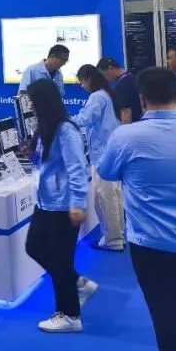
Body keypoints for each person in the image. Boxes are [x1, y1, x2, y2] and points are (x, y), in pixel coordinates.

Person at [96, 66, 176, 351]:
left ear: (142, 100)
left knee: (166, 309)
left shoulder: (126, 137)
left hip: (153, 243)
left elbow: (107, 172)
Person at [24, 79, 96, 334]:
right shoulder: (47, 127)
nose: (31, 107)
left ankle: (69, 314)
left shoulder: (66, 130)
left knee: (60, 259)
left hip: (63, 205)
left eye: (34, 102)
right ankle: (77, 283)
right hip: (45, 202)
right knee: (34, 247)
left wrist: (78, 203)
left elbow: (77, 168)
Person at [76, 64, 125, 253]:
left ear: (89, 78)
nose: (82, 86)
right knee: (114, 196)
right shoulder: (108, 93)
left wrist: (63, 120)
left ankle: (113, 240)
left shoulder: (97, 96)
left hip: (102, 154)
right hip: (111, 151)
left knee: (104, 198)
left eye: (82, 81)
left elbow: (84, 119)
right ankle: (118, 236)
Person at [97, 57, 140, 123]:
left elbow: (125, 112)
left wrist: (124, 129)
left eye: (103, 74)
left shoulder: (123, 85)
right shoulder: (133, 78)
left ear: (110, 68)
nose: (104, 78)